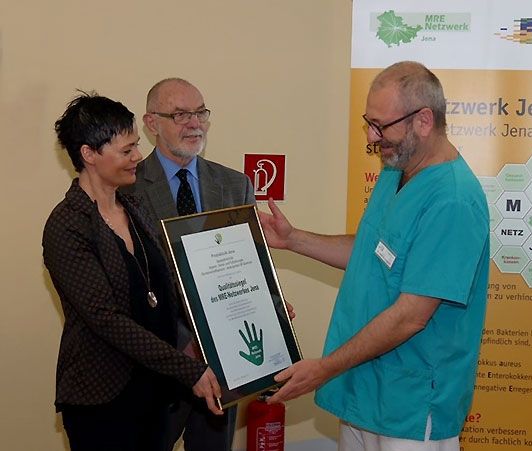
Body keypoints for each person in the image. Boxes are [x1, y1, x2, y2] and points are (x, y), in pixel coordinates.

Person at [260, 61, 490, 451]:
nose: (371, 136)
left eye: (381, 126)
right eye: (369, 122)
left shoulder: (453, 200)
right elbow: (371, 252)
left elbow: (411, 316)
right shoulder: (396, 170)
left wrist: (323, 369)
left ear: (422, 120)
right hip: (364, 391)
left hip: (411, 409)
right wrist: (294, 239)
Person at [43, 92, 223, 451]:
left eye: (135, 146)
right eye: (126, 151)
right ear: (89, 155)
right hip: (103, 398)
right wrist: (188, 370)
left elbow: (170, 287)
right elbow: (105, 319)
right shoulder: (67, 225)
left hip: (155, 390)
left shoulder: (135, 206)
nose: (138, 157)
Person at [123, 78, 255, 451]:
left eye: (200, 113)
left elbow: (244, 270)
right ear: (151, 123)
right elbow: (130, 285)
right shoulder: (126, 190)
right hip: (157, 364)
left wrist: (266, 307)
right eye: (180, 114)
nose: (194, 123)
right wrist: (184, 346)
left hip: (223, 363)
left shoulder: (235, 185)